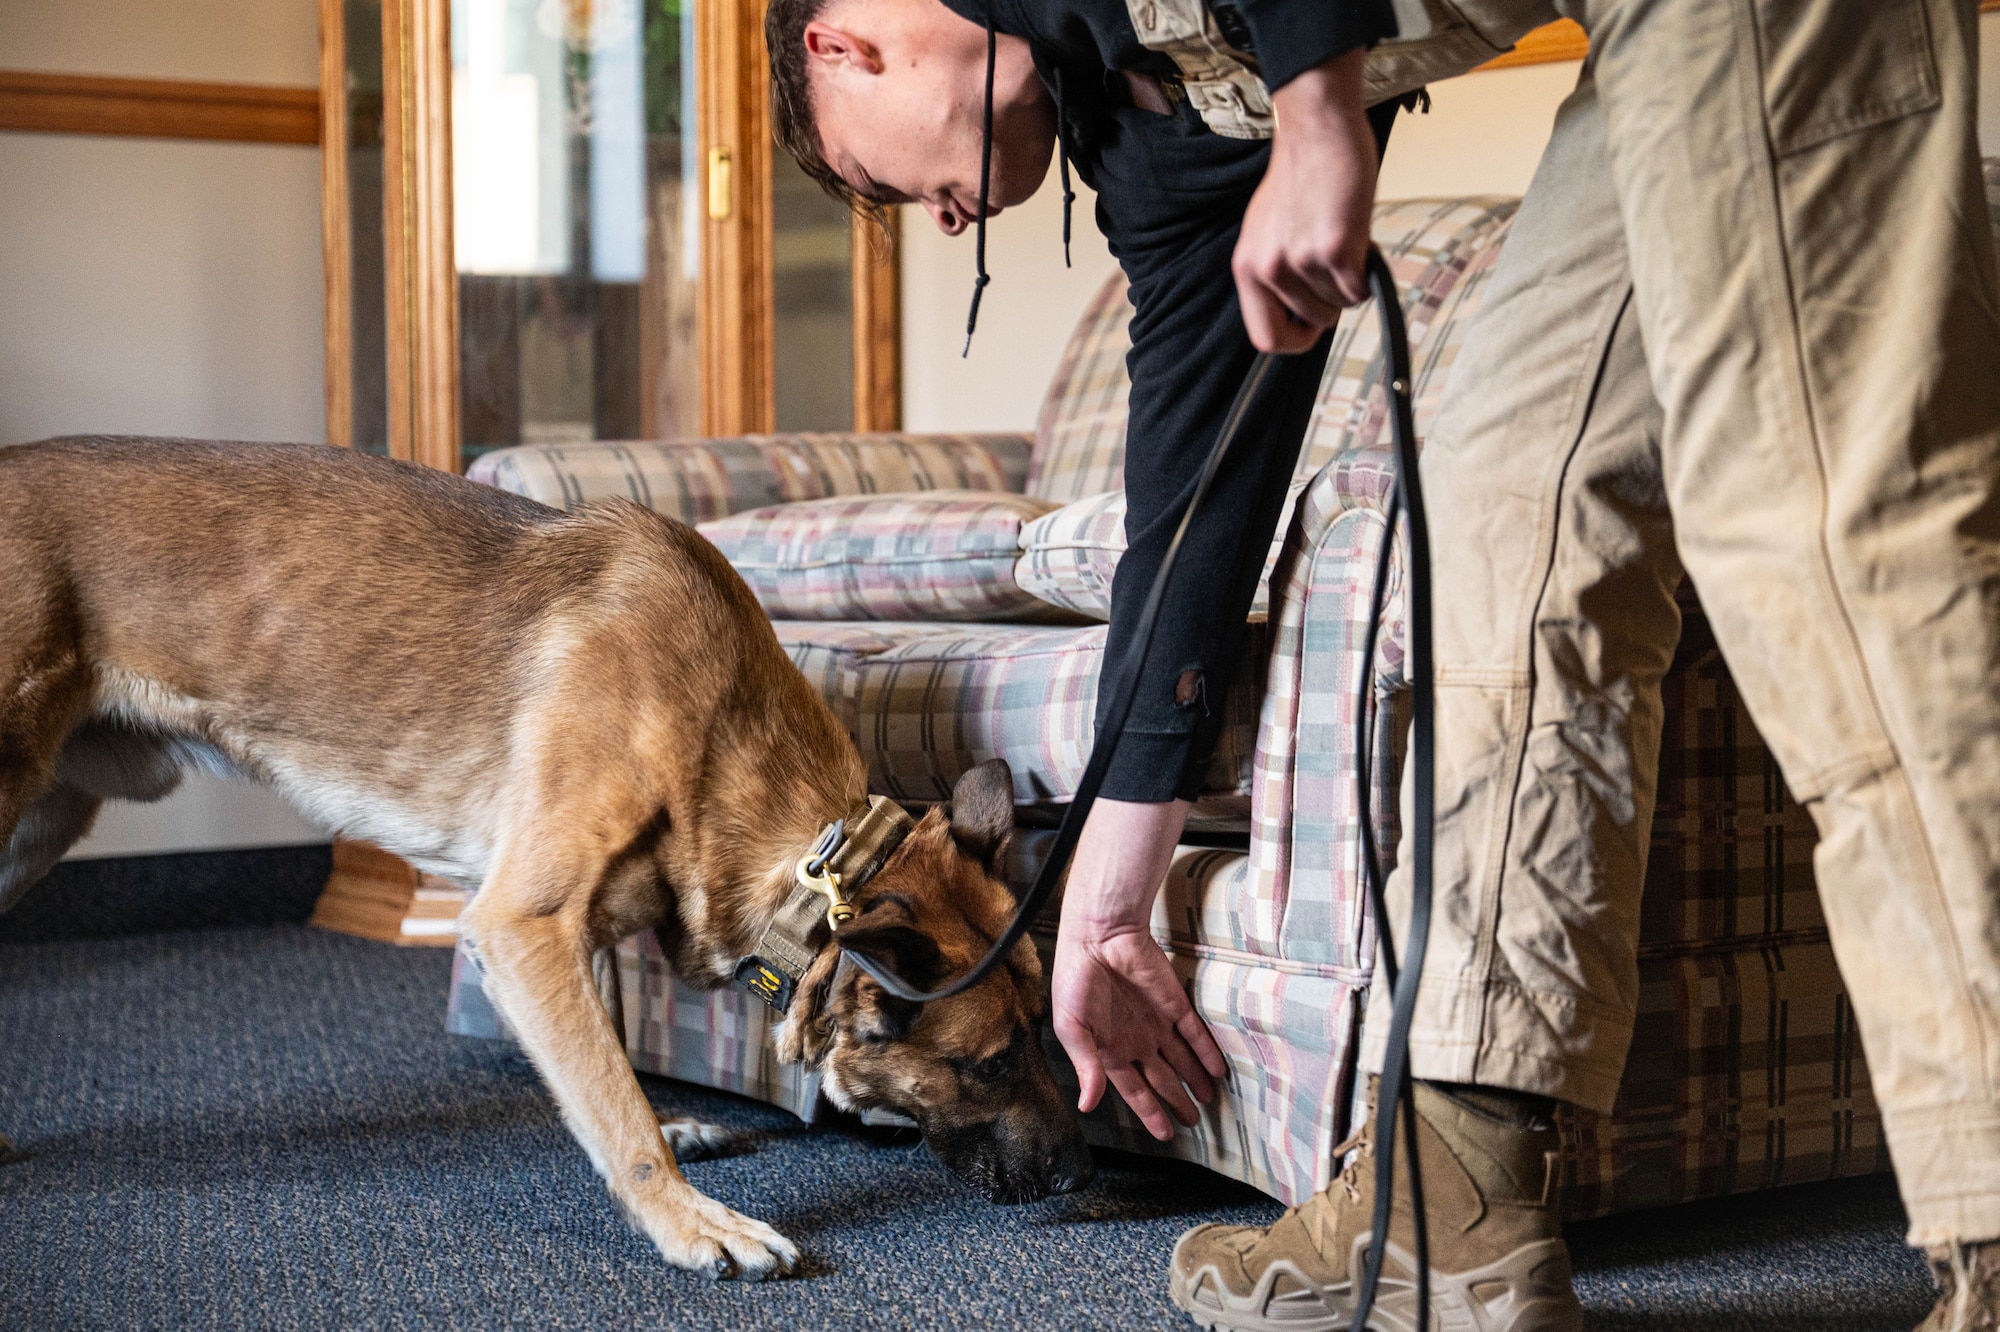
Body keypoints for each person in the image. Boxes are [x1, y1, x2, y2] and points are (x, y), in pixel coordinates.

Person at [765, 0, 2000, 1325]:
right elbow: (1194, 507)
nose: (936, 222)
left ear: (845, 43)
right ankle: (1455, 1189)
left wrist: (1311, 109)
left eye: (872, 183)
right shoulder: (1141, 131)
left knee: (1811, 515)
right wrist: (1108, 907)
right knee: (1508, 501)